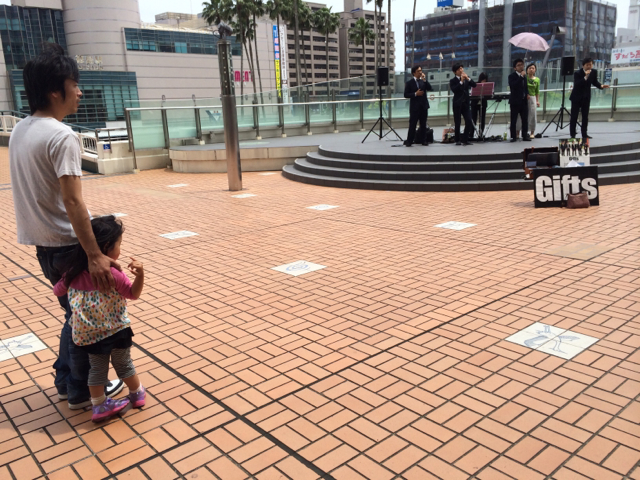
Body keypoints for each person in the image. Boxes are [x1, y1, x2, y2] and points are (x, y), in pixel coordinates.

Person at [9, 43, 124, 410]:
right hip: (67, 244)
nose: (79, 92)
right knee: (86, 319)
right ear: (55, 91)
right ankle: (79, 390)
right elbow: (73, 202)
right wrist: (94, 255)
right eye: (74, 84)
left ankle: (65, 381)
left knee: (75, 314)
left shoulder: (21, 130)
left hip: (42, 245)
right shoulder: (62, 136)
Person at [53, 216, 145, 422]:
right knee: (124, 364)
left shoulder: (73, 273)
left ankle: (99, 405)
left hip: (89, 334)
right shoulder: (113, 273)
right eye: (119, 244)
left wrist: (69, 279)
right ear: (106, 246)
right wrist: (140, 275)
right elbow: (133, 294)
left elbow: (57, 291)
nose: (120, 249)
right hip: (117, 330)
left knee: (96, 370)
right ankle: (137, 394)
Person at [570, 57, 610, 139]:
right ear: (583, 65)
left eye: (590, 65)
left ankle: (584, 134)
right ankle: (572, 134)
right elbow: (577, 84)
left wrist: (601, 86)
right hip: (576, 97)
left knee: (585, 116)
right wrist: (585, 77)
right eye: (587, 65)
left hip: (586, 97)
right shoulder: (577, 73)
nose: (589, 66)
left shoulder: (594, 72)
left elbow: (594, 82)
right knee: (574, 116)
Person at [403, 65, 433, 146]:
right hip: (415, 107)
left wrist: (425, 80)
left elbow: (430, 88)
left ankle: (424, 140)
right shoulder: (409, 83)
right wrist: (415, 94)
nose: (420, 72)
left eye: (421, 71)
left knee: (423, 124)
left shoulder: (423, 81)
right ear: (414, 73)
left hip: (423, 106)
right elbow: (406, 94)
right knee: (412, 124)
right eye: (418, 71)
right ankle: (409, 140)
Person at [449, 63, 477, 146]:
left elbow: (474, 85)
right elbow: (454, 90)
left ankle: (465, 139)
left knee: (469, 121)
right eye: (458, 69)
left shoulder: (466, 78)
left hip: (466, 103)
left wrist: (468, 78)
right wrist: (461, 81)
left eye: (461, 68)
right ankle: (457, 139)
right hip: (457, 103)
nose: (461, 70)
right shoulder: (453, 81)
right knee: (457, 122)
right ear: (455, 72)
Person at [508, 58, 530, 142]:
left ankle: (525, 135)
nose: (521, 66)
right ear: (515, 68)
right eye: (519, 65)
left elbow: (525, 87)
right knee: (514, 119)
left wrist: (527, 93)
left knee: (525, 119)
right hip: (515, 101)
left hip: (523, 101)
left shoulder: (524, 76)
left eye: (522, 65)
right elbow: (513, 86)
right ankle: (513, 136)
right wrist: (521, 77)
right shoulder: (511, 76)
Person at [516, 63, 540, 139]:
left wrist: (537, 101)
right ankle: (517, 132)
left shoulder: (537, 79)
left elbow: (537, 91)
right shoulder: (524, 77)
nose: (531, 69)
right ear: (526, 70)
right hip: (523, 98)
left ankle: (532, 132)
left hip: (532, 98)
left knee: (532, 115)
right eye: (529, 68)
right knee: (520, 116)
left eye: (533, 68)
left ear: (535, 70)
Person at [471, 72, 488, 140]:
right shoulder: (475, 85)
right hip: (475, 103)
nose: (484, 82)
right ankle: (471, 134)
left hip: (483, 103)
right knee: (473, 118)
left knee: (482, 119)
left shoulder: (487, 86)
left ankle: (481, 133)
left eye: (485, 80)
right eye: (483, 80)